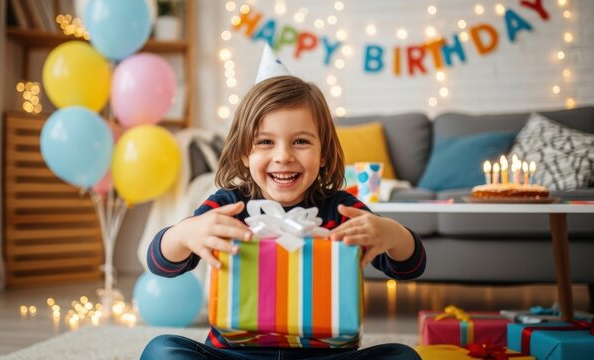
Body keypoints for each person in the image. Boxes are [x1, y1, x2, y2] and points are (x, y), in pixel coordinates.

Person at [141, 76, 426, 360]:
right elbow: (160, 263)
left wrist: (392, 233)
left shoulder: (342, 210)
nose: (283, 156)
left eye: (300, 141)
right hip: (234, 354)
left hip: (325, 356)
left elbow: (410, 267)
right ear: (244, 153)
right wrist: (184, 233)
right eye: (265, 142)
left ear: (324, 153)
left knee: (402, 356)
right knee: (163, 350)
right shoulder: (227, 206)